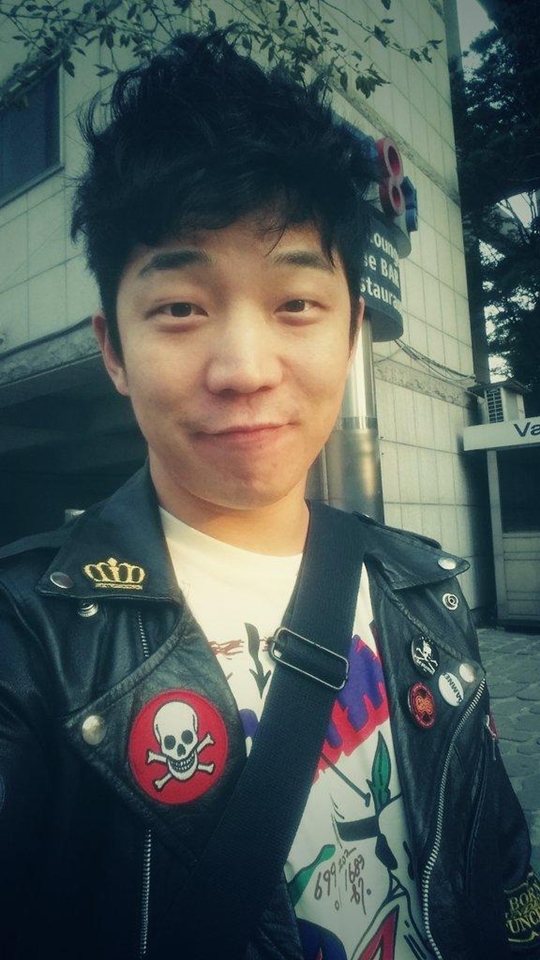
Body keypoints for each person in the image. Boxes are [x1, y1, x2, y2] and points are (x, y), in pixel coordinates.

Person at [0, 30, 538, 960]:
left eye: (295, 304)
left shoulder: (425, 591)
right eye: (180, 308)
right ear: (113, 350)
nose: (245, 369)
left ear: (352, 331)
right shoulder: (30, 637)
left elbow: (499, 869)